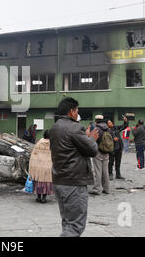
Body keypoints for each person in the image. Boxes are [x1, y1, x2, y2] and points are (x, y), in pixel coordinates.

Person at [50, 97, 99, 237]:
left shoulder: (55, 127)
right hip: (73, 182)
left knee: (67, 222)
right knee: (75, 226)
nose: (78, 113)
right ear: (71, 111)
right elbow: (92, 150)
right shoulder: (74, 128)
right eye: (77, 110)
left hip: (59, 180)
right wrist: (92, 139)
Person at [90, 115, 113, 195]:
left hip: (98, 152)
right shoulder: (109, 129)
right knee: (105, 171)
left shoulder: (96, 129)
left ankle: (97, 189)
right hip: (106, 152)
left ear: (96, 121)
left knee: (97, 171)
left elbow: (93, 140)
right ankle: (106, 189)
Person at [28, 129, 53, 203]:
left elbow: (33, 155)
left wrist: (32, 166)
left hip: (38, 166)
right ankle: (44, 198)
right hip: (48, 166)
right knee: (46, 182)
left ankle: (38, 197)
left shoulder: (39, 143)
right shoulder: (52, 144)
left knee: (38, 181)